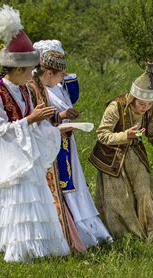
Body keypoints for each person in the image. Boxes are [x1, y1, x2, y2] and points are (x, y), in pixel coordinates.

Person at [0, 5, 70, 262]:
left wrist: (50, 125)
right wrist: (29, 120)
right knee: (17, 200)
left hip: (28, 151)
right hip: (9, 154)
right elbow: (0, 131)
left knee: (34, 198)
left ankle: (36, 247)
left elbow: (32, 121)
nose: (33, 76)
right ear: (18, 70)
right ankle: (16, 249)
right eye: (30, 71)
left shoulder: (24, 91)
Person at [31, 40, 112, 249]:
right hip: (51, 147)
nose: (62, 79)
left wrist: (66, 117)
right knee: (62, 187)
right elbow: (38, 120)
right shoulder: (37, 90)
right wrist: (61, 117)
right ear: (48, 73)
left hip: (66, 142)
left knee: (75, 184)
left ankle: (86, 229)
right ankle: (68, 233)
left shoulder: (56, 87)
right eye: (59, 75)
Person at [90, 69, 153, 241]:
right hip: (112, 156)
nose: (145, 108)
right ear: (133, 98)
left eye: (148, 105)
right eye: (141, 104)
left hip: (135, 154)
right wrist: (126, 135)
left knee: (144, 191)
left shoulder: (148, 110)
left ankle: (152, 233)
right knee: (120, 199)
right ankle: (127, 239)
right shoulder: (116, 107)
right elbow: (102, 135)